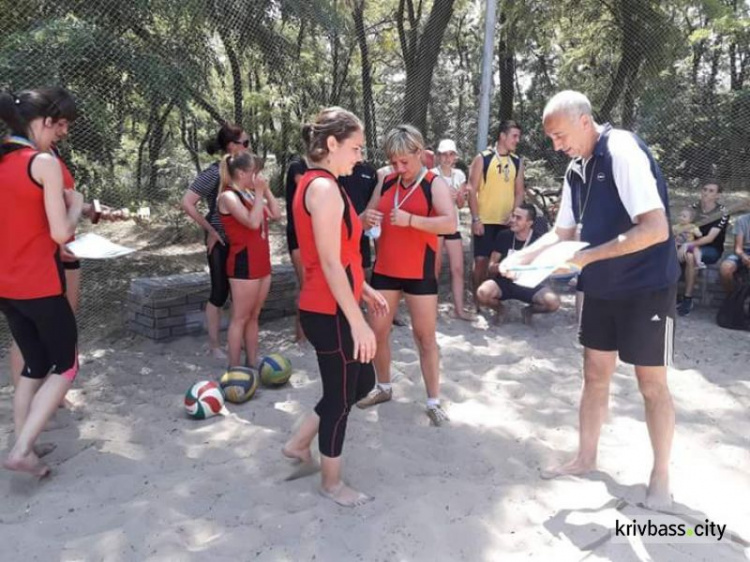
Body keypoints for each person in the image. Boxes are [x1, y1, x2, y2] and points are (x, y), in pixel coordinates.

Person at [503, 91, 680, 509]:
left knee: (651, 384)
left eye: (560, 135)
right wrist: (523, 257)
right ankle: (585, 457)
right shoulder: (575, 169)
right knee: (594, 373)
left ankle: (661, 477)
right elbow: (563, 232)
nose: (556, 145)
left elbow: (656, 229)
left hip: (648, 285)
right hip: (602, 285)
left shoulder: (621, 150)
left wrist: (586, 258)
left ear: (584, 121)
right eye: (551, 138)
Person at [281, 107, 388, 507]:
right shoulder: (323, 188)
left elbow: (343, 257)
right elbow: (327, 262)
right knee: (342, 397)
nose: (360, 157)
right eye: (355, 148)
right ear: (331, 144)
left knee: (359, 384)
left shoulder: (327, 183)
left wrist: (365, 289)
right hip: (327, 310)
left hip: (337, 302)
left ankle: (298, 443)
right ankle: (331, 483)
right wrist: (357, 321)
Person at [0, 87, 84, 477]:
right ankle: (20, 449)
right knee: (66, 366)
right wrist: (78, 206)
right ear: (44, 121)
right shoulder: (43, 164)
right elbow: (60, 235)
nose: (61, 134)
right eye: (59, 125)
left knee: (35, 364)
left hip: (7, 287)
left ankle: (25, 444)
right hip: (40, 282)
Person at [357, 125, 457, 426]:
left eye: (405, 162)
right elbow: (366, 218)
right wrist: (366, 219)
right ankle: (384, 387)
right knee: (377, 333)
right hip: (386, 269)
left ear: (420, 154)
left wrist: (411, 220)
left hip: (419, 272)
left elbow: (449, 224)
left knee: (424, 337)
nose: (400, 168)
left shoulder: (433, 183)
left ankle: (433, 401)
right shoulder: (386, 181)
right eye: (394, 162)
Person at [181, 124, 251, 358]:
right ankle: (214, 345)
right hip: (220, 243)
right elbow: (187, 202)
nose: (249, 148)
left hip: (241, 241)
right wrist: (212, 230)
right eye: (246, 143)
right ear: (232, 146)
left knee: (238, 293)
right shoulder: (214, 172)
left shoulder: (243, 171)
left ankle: (236, 338)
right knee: (219, 292)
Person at [217, 153, 281, 368]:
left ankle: (252, 363)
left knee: (254, 316)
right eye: (255, 172)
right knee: (240, 318)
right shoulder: (228, 197)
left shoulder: (251, 194)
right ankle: (234, 368)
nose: (259, 176)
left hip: (262, 260)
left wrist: (267, 191)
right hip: (243, 263)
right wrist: (260, 192)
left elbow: (276, 214)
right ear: (242, 173)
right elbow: (253, 223)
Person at [468, 120, 525, 311]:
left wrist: (514, 216)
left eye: (518, 136)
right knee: (481, 262)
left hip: (505, 223)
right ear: (502, 135)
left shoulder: (516, 161)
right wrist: (476, 218)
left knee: (498, 264)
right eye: (514, 136)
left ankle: (491, 300)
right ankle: (477, 301)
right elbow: (471, 190)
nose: (517, 140)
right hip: (485, 221)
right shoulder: (483, 158)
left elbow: (519, 192)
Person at [476, 203, 560, 323]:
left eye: (518, 218)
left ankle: (528, 311)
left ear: (529, 223)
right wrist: (503, 267)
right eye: (513, 216)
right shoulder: (504, 236)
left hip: (529, 285)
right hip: (505, 282)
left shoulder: (539, 241)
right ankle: (500, 310)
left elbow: (546, 269)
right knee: (482, 293)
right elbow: (490, 268)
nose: (513, 220)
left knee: (553, 302)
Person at [430, 139, 471, 320]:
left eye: (451, 154)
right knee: (435, 268)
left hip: (453, 225)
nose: (448, 158)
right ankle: (432, 309)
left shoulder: (459, 175)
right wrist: (444, 196)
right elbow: (428, 204)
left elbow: (461, 205)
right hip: (436, 224)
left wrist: (459, 196)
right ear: (438, 156)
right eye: (444, 154)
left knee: (458, 269)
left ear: (455, 156)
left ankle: (459, 310)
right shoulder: (430, 174)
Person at [678, 182, 730, 315]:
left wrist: (688, 245)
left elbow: (710, 238)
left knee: (690, 256)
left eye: (711, 191)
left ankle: (687, 299)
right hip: (688, 244)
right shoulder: (693, 208)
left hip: (711, 249)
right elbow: (682, 228)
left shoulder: (722, 212)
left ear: (718, 195)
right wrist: (680, 242)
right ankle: (667, 295)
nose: (706, 192)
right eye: (705, 189)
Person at [283, 154, 310, 342]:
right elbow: (306, 189)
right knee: (305, 285)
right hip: (298, 234)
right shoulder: (297, 165)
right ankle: (300, 335)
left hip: (315, 234)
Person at [339, 160, 379, 270]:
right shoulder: (337, 169)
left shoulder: (369, 170)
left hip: (363, 229)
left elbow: (376, 203)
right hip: (342, 228)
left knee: (362, 268)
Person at [719, 213, 750, 294]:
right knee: (725, 268)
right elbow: (738, 248)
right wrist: (744, 256)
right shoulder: (742, 220)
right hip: (744, 251)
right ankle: (732, 295)